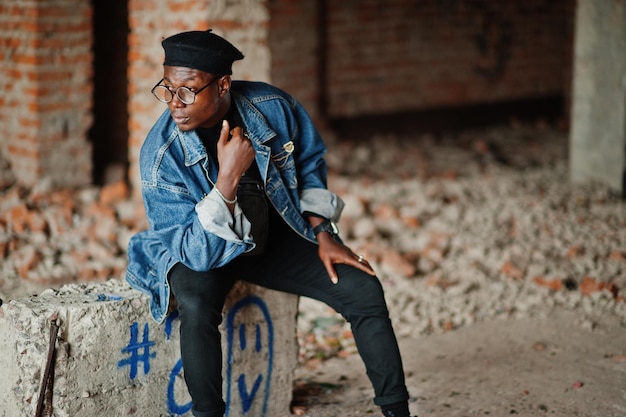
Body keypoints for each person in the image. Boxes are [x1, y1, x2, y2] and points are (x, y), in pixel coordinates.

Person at [125, 29, 415, 417]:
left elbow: (310, 163)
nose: (175, 103)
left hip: (269, 240)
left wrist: (323, 231)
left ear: (223, 84)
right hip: (202, 252)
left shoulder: (272, 106)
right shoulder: (161, 157)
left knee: (363, 289)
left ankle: (398, 412)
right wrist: (227, 179)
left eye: (188, 89)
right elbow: (195, 252)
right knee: (195, 304)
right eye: (168, 88)